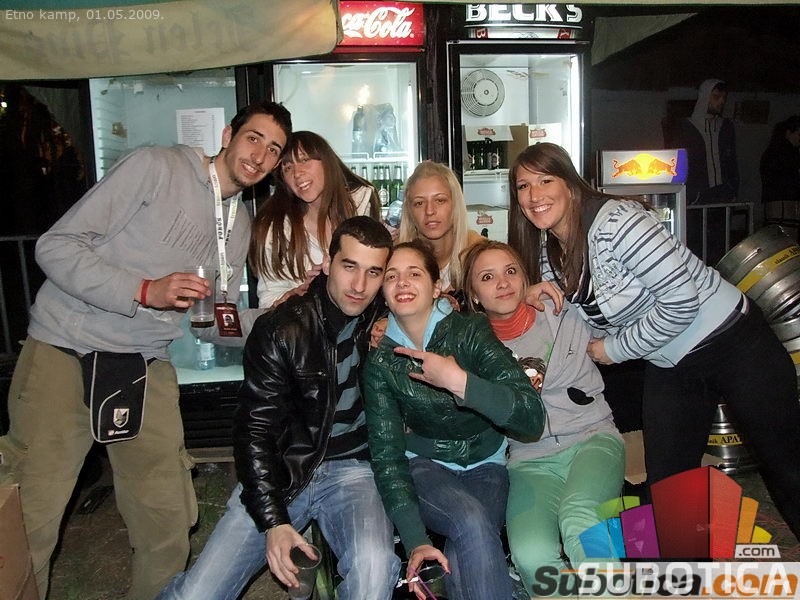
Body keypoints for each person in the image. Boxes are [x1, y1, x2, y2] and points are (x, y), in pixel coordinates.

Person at [0, 100, 292, 600]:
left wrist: (274, 316)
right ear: (227, 136)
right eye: (253, 138)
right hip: (66, 351)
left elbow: (209, 323)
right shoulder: (157, 167)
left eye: (273, 150)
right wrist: (143, 290)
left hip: (143, 366)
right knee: (29, 524)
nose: (259, 155)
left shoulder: (238, 222)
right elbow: (55, 246)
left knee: (168, 523)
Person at [507, 141, 800, 542]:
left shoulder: (617, 222)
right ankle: (687, 571)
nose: (534, 195)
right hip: (670, 363)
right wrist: (531, 296)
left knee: (786, 466)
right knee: (671, 488)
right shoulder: (549, 256)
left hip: (732, 342)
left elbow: (681, 301)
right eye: (523, 186)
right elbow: (587, 319)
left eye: (545, 180)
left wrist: (613, 350)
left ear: (571, 184)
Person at [158, 216, 400, 600]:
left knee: (375, 569)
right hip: (283, 470)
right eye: (349, 266)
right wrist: (273, 521)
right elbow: (254, 431)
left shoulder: (382, 313)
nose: (359, 285)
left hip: (354, 470)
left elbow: (438, 299)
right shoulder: (281, 328)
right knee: (198, 594)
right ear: (327, 263)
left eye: (373, 272)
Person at [363, 239, 545, 600]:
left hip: (487, 465)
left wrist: (459, 381)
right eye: (391, 276)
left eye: (414, 273)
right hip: (426, 467)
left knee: (462, 561)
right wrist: (415, 539)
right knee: (472, 521)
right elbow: (387, 457)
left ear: (436, 287)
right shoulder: (381, 363)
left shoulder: (470, 331)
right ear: (382, 292)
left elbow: (531, 418)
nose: (402, 282)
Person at [461, 240, 624, 594]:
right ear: (473, 295)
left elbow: (620, 319)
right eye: (487, 277)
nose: (503, 283)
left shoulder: (563, 311)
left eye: (510, 271)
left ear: (525, 277)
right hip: (530, 460)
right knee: (530, 553)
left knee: (580, 519)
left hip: (592, 439)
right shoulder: (471, 349)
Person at [250, 130, 380, 309]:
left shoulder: (363, 203)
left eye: (304, 160)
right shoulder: (276, 228)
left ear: (327, 162)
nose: (297, 173)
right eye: (287, 168)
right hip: (305, 324)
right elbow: (269, 300)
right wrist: (299, 294)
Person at [397, 160, 484, 295]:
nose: (429, 211)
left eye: (440, 200)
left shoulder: (480, 256)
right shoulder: (393, 260)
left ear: (455, 205)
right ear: (409, 212)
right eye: (419, 203)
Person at [668, 78, 739, 204]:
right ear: (705, 97)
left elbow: (732, 161)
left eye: (724, 97)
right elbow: (678, 163)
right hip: (697, 198)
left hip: (723, 197)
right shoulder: (687, 127)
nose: (721, 101)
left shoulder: (726, 127)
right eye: (716, 97)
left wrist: (732, 189)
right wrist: (691, 195)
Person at [761, 115, 800, 240]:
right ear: (788, 133)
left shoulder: (774, 151)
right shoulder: (786, 152)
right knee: (786, 239)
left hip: (777, 203)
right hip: (784, 203)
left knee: (779, 240)